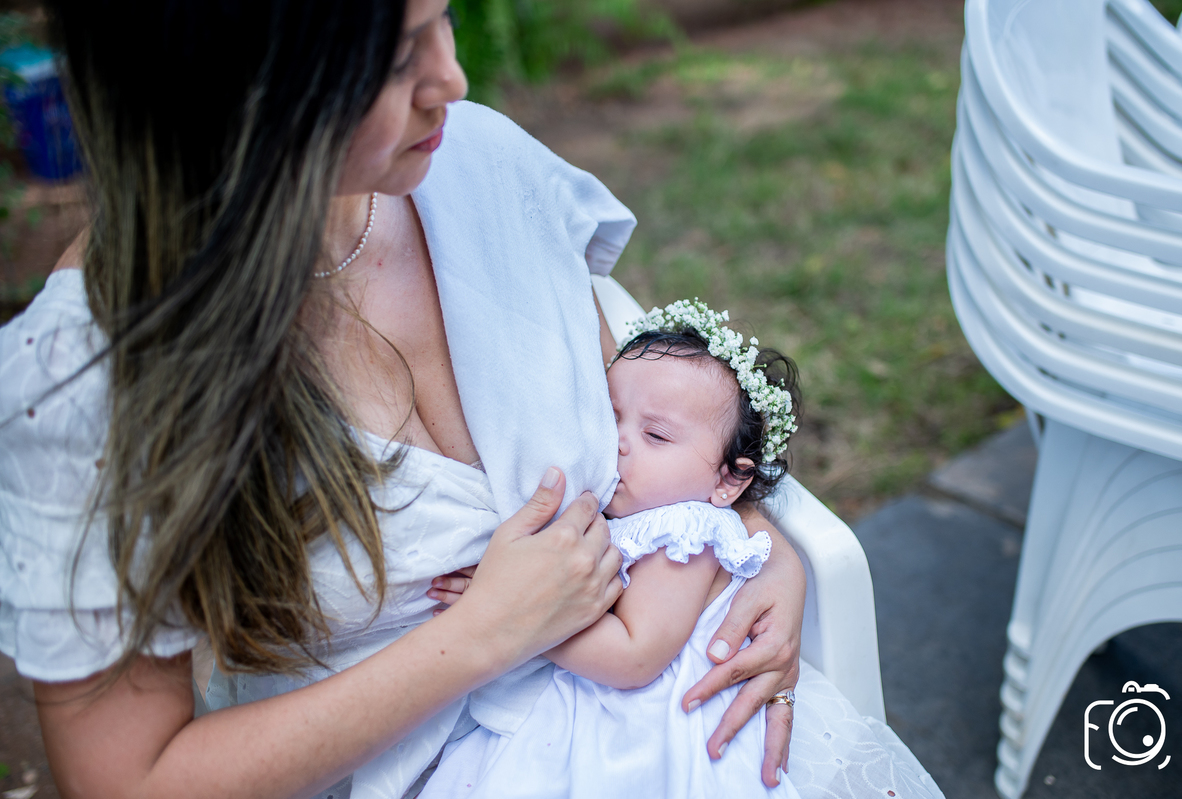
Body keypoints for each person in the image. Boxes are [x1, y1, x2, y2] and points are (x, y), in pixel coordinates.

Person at [0, 2, 812, 798]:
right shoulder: (93, 370)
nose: (450, 80)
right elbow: (125, 779)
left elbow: (645, 424)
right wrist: (483, 634)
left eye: (444, 18)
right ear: (234, 85)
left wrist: (758, 543)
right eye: (393, 60)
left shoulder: (481, 159)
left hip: (670, 732)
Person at [421, 302, 943, 798]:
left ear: (727, 483)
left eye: (655, 434)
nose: (618, 442)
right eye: (611, 416)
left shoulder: (686, 531)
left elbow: (634, 657)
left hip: (646, 730)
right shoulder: (632, 509)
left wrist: (514, 622)